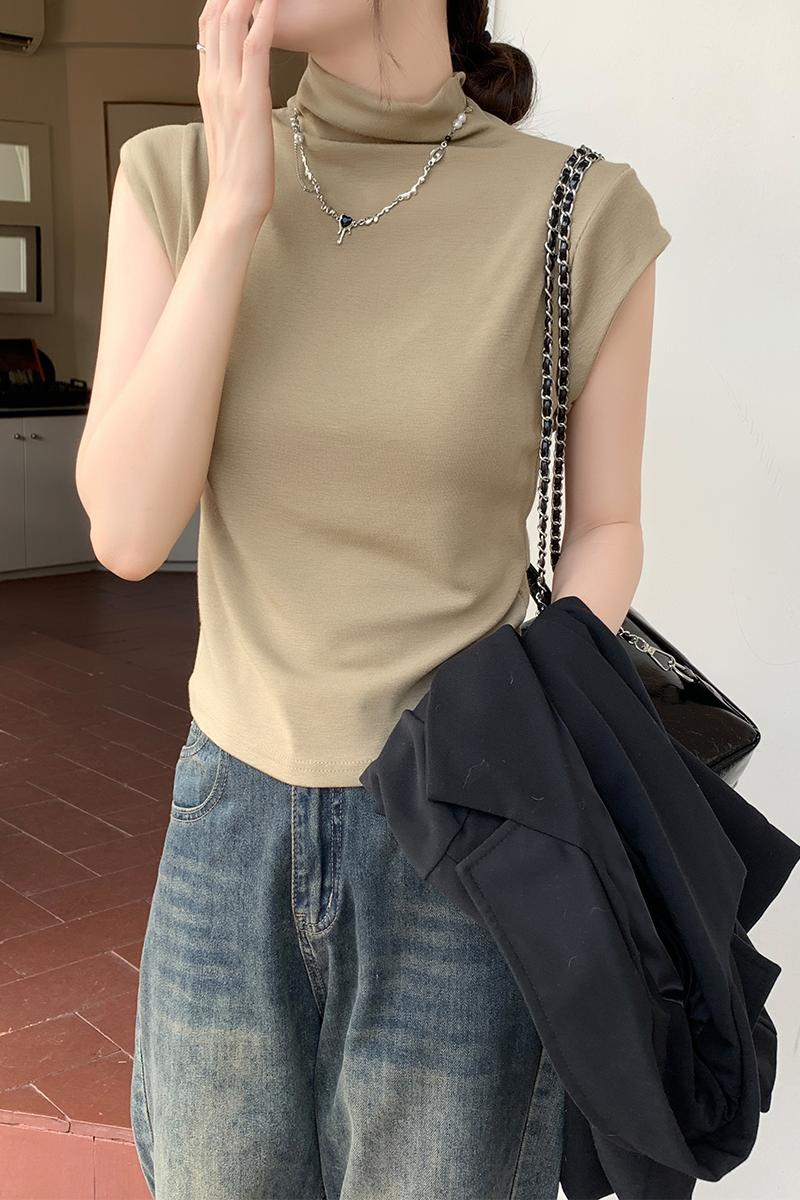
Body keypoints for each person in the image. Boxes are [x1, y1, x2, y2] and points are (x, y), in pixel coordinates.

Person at [75, 1, 671, 1196]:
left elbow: (606, 527)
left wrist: (527, 703)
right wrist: (235, 211)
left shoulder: (577, 208)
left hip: (463, 832)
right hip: (229, 817)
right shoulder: (176, 174)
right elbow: (129, 535)